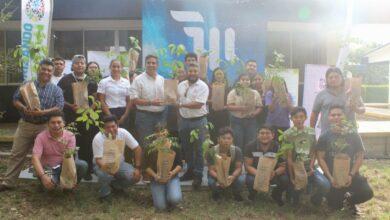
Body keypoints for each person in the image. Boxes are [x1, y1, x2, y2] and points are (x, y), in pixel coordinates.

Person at [0, 59, 64, 192]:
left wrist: (42, 112)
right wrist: (23, 108)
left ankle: (44, 182)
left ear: (52, 73)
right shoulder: (26, 84)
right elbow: (15, 99)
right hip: (25, 125)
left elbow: (59, 108)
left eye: (49, 70)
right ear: (38, 69)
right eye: (44, 69)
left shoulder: (56, 89)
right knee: (17, 153)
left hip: (44, 127)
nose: (46, 72)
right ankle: (8, 182)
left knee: (45, 155)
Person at [316, 105, 373, 215]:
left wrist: (351, 175)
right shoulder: (324, 136)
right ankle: (337, 198)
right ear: (328, 117)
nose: (336, 117)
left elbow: (360, 155)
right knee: (335, 206)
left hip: (351, 175)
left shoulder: (353, 134)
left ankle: (350, 201)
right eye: (333, 115)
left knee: (367, 193)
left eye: (339, 114)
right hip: (333, 178)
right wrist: (330, 177)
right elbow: (320, 158)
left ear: (345, 116)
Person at [57, 55, 98, 181]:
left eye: (82, 63)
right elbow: (59, 98)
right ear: (72, 65)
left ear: (85, 66)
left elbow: (96, 98)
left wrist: (91, 109)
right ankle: (70, 168)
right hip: (70, 116)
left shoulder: (91, 80)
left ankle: (87, 170)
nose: (79, 65)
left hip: (87, 118)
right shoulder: (65, 80)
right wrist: (70, 106)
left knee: (87, 142)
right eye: (77, 63)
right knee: (70, 142)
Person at [282, 107, 330, 205]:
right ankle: (293, 195)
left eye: (301, 117)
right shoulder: (287, 134)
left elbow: (313, 152)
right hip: (295, 168)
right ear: (291, 119)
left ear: (306, 118)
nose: (299, 119)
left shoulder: (311, 132)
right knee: (294, 200)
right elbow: (289, 157)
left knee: (325, 185)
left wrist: (311, 167)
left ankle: (315, 199)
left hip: (309, 167)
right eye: (295, 117)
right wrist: (292, 176)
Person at [31, 111, 88, 191]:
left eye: (59, 122)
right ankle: (47, 182)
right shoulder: (40, 137)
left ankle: (70, 186)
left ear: (64, 123)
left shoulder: (70, 135)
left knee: (82, 165)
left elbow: (69, 157)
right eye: (53, 123)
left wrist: (70, 174)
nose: (56, 125)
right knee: (50, 187)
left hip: (64, 166)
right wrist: (43, 176)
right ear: (48, 124)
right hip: (48, 167)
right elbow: (35, 158)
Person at [92, 115, 142, 200]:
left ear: (117, 125)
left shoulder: (123, 132)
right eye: (107, 127)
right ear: (103, 128)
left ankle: (116, 186)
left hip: (119, 163)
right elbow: (98, 160)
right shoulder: (98, 138)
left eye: (113, 126)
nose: (111, 129)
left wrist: (137, 168)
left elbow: (137, 149)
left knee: (134, 176)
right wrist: (109, 169)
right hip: (101, 165)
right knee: (105, 176)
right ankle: (104, 194)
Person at [177, 63, 209, 189]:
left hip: (199, 121)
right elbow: (176, 100)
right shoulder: (180, 85)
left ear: (198, 72)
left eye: (195, 71)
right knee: (187, 148)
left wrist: (181, 105)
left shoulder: (203, 86)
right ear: (186, 72)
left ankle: (198, 175)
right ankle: (189, 172)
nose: (192, 73)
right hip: (184, 121)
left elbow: (198, 104)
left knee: (199, 149)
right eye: (190, 71)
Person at [310, 67, 365, 134]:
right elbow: (314, 114)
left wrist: (355, 108)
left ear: (342, 78)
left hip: (349, 133)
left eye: (336, 77)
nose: (334, 79)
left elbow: (363, 109)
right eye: (331, 77)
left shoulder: (351, 93)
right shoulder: (321, 95)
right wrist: (312, 133)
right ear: (326, 80)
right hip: (327, 135)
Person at [244, 125, 289, 205]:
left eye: (267, 133)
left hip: (272, 173)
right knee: (250, 180)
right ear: (257, 135)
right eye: (262, 133)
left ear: (273, 135)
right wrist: (259, 174)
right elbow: (248, 166)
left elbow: (283, 166)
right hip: (256, 173)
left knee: (285, 179)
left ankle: (276, 195)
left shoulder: (279, 147)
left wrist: (274, 173)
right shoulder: (250, 146)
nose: (264, 136)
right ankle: (252, 194)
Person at [130, 55, 166, 147]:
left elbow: (168, 97)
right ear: (145, 64)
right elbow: (134, 100)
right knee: (146, 144)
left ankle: (157, 162)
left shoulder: (162, 79)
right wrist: (151, 102)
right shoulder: (138, 80)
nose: (151, 65)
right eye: (148, 63)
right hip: (144, 117)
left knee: (161, 143)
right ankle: (147, 162)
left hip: (161, 116)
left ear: (157, 65)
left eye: (153, 63)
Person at [144, 127, 183, 211]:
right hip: (156, 179)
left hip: (171, 177)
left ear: (167, 132)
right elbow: (145, 166)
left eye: (163, 132)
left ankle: (169, 194)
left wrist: (172, 173)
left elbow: (180, 165)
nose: (161, 135)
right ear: (155, 134)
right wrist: (155, 175)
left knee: (175, 199)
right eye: (158, 132)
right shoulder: (150, 148)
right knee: (160, 207)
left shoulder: (174, 146)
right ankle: (162, 194)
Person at [206, 127, 244, 201]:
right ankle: (216, 194)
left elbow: (239, 168)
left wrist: (233, 176)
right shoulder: (211, 151)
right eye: (223, 138)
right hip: (217, 173)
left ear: (232, 140)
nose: (226, 140)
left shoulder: (237, 150)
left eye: (229, 138)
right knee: (211, 182)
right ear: (218, 139)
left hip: (231, 173)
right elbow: (211, 170)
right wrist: (220, 178)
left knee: (241, 180)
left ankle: (236, 193)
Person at [227, 73, 262, 150]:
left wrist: (254, 113)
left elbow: (259, 107)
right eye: (243, 80)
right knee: (238, 142)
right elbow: (229, 106)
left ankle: (248, 160)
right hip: (237, 121)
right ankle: (239, 160)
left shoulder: (255, 93)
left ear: (250, 81)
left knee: (251, 142)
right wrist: (242, 108)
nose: (245, 81)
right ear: (239, 81)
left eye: (247, 80)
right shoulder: (233, 92)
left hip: (251, 121)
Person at [98, 59, 132, 129]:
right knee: (110, 136)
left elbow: (129, 101)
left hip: (123, 112)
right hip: (109, 112)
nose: (116, 69)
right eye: (114, 66)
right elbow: (101, 101)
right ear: (110, 67)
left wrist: (125, 116)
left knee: (123, 135)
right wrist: (111, 117)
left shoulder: (126, 82)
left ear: (122, 68)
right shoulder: (104, 82)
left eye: (118, 67)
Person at [208, 68, 230, 143]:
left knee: (224, 135)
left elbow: (231, 102)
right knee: (213, 134)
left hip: (224, 114)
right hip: (212, 114)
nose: (219, 75)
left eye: (221, 74)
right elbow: (205, 100)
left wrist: (226, 106)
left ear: (224, 75)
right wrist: (211, 101)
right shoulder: (209, 87)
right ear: (214, 75)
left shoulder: (228, 88)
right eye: (217, 74)